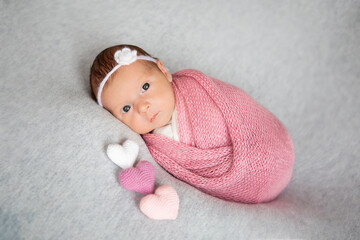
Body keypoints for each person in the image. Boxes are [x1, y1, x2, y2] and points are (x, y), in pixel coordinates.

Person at [90, 44, 295, 203]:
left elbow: (238, 106)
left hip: (269, 143)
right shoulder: (156, 146)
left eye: (145, 86)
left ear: (164, 71)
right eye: (126, 108)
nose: (143, 107)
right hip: (250, 182)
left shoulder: (195, 88)